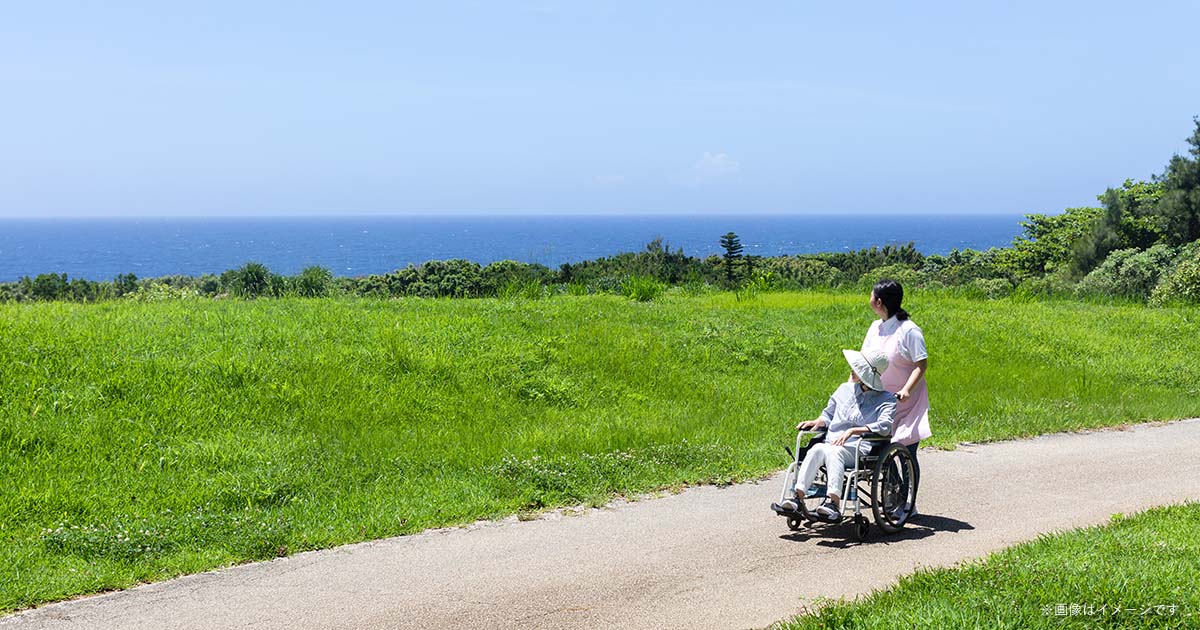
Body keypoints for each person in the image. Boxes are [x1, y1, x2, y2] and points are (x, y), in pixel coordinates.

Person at [779, 348, 895, 522]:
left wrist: (855, 430)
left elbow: (885, 426)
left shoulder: (887, 399)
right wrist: (817, 421)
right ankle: (797, 497)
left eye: (857, 368)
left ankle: (833, 502)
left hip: (858, 448)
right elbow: (828, 414)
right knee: (817, 448)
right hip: (831, 442)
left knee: (835, 452)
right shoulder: (844, 389)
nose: (852, 370)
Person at [861, 279, 929, 518]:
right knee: (882, 450)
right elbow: (864, 360)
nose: (868, 299)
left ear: (879, 302)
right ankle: (895, 495)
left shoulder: (909, 330)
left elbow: (921, 364)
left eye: (871, 295)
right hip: (880, 400)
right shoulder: (875, 327)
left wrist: (907, 389)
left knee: (907, 451)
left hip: (906, 401)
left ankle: (909, 502)